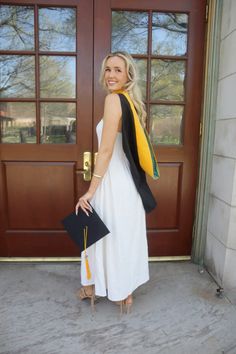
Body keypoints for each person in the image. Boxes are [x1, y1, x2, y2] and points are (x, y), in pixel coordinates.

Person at [75, 51, 156, 313]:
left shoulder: (113, 101)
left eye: (118, 70)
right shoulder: (131, 103)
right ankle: (124, 294)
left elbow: (107, 151)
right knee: (122, 236)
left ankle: (93, 287)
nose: (111, 75)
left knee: (94, 233)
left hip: (112, 182)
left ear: (128, 75)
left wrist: (90, 190)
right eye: (108, 69)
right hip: (128, 184)